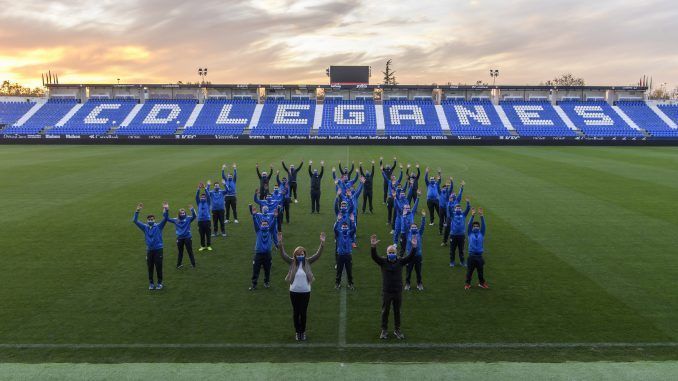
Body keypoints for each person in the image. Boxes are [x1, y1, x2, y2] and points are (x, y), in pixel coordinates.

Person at [277, 231, 325, 341]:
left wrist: (322, 244)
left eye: (302, 254)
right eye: (298, 254)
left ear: (305, 255)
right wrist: (280, 243)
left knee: (303, 313)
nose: (300, 256)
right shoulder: (292, 262)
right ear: (295, 255)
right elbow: (283, 255)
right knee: (296, 312)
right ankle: (297, 332)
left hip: (305, 291)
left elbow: (317, 255)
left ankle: (302, 332)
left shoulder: (307, 262)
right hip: (293, 291)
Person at [370, 233, 419, 340]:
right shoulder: (383, 262)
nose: (391, 254)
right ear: (387, 253)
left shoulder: (400, 261)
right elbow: (374, 257)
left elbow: (410, 258)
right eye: (389, 252)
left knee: (397, 312)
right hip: (387, 292)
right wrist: (373, 247)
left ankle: (397, 330)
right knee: (385, 311)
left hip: (397, 291)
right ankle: (384, 330)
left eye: (393, 252)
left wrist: (414, 247)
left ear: (396, 253)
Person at [132, 202, 169, 290]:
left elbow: (166, 218)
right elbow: (135, 221)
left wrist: (166, 209)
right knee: (150, 267)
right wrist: (137, 210)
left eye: (152, 219)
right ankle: (151, 283)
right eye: (149, 219)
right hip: (149, 250)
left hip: (158, 249)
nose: (150, 221)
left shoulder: (159, 226)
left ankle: (160, 283)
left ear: (154, 220)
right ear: (147, 220)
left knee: (159, 266)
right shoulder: (145, 227)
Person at [249, 203, 280, 291]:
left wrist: (275, 217)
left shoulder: (270, 231)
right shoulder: (258, 231)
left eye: (266, 224)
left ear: (268, 225)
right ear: (261, 225)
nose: (264, 225)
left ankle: (266, 282)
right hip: (258, 254)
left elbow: (273, 224)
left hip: (267, 254)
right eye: (263, 224)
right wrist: (254, 216)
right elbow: (255, 223)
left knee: (267, 270)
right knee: (256, 270)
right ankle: (254, 284)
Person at [465, 208, 489, 289]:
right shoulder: (469, 233)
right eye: (474, 226)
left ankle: (481, 283)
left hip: (479, 256)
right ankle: (467, 284)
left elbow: (484, 225)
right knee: (469, 272)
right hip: (471, 256)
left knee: (480, 272)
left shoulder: (481, 233)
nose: (476, 227)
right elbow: (468, 225)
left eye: (477, 226)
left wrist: (481, 216)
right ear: (472, 227)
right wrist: (472, 215)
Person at [405, 211, 426, 291]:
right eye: (412, 227)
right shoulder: (408, 234)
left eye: (415, 227)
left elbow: (423, 226)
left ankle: (419, 283)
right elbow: (405, 225)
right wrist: (404, 216)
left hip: (418, 256)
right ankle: (407, 284)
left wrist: (423, 217)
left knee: (418, 271)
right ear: (410, 229)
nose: (414, 228)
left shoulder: (419, 233)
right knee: (408, 271)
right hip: (409, 256)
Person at [334, 219, 356, 290]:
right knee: (339, 271)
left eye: (346, 227)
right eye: (343, 227)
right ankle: (337, 283)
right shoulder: (339, 234)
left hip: (348, 255)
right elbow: (334, 229)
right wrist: (337, 221)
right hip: (340, 255)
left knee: (349, 271)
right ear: (341, 228)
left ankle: (350, 284)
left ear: (348, 228)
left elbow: (354, 229)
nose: (344, 228)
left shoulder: (349, 233)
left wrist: (352, 222)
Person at [449, 198, 471, 267]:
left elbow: (468, 209)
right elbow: (449, 209)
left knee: (461, 249)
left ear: (461, 209)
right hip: (453, 235)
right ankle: (452, 262)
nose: (458, 209)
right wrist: (450, 202)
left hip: (461, 235)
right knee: (452, 249)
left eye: (459, 208)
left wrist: (468, 203)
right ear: (455, 209)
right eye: (457, 208)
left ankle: (462, 262)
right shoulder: (452, 215)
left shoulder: (463, 215)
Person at [195, 183, 212, 251]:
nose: (202, 198)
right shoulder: (198, 203)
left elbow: (208, 195)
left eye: (203, 197)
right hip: (200, 221)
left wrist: (205, 188)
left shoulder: (208, 202)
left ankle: (208, 245)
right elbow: (196, 196)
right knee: (201, 234)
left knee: (208, 234)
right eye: (201, 197)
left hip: (207, 220)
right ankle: (202, 246)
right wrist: (198, 188)